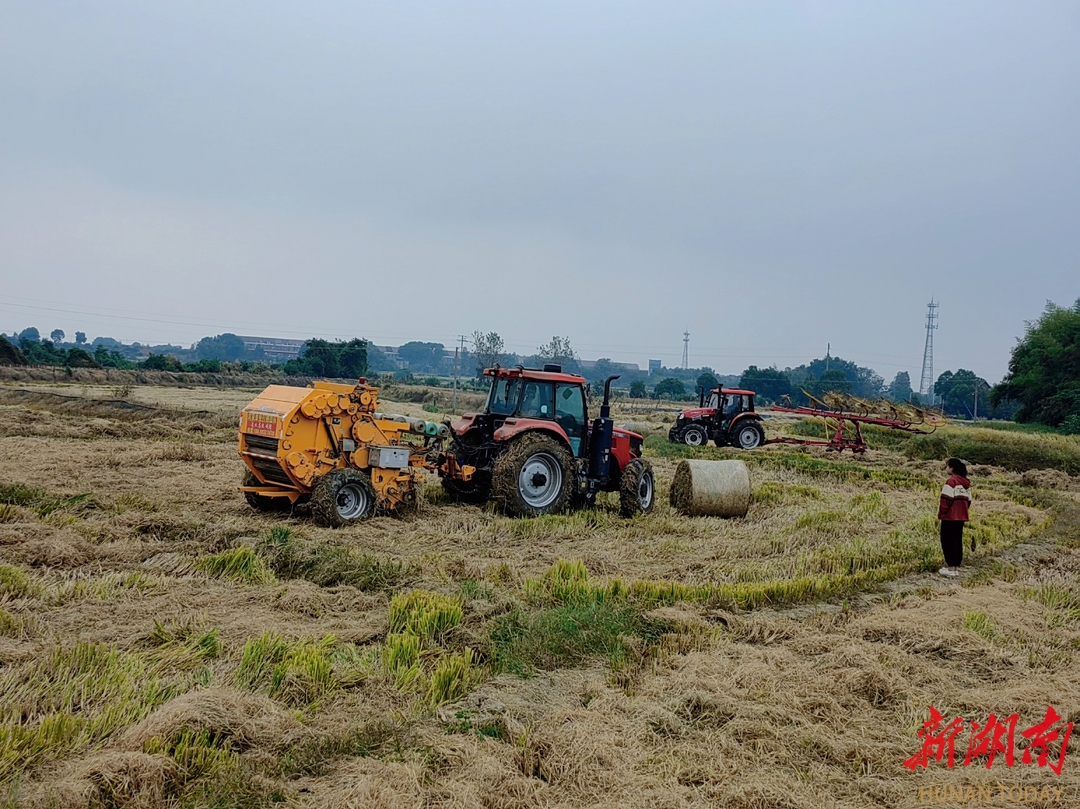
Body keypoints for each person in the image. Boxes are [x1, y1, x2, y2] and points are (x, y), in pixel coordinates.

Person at [938, 457, 971, 577]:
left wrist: (942, 513)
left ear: (952, 469)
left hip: (950, 517)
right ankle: (955, 567)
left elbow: (945, 500)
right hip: (961, 517)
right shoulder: (966, 484)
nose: (946, 468)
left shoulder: (951, 482)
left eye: (947, 466)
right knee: (957, 541)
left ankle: (951, 569)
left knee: (947, 541)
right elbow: (969, 501)